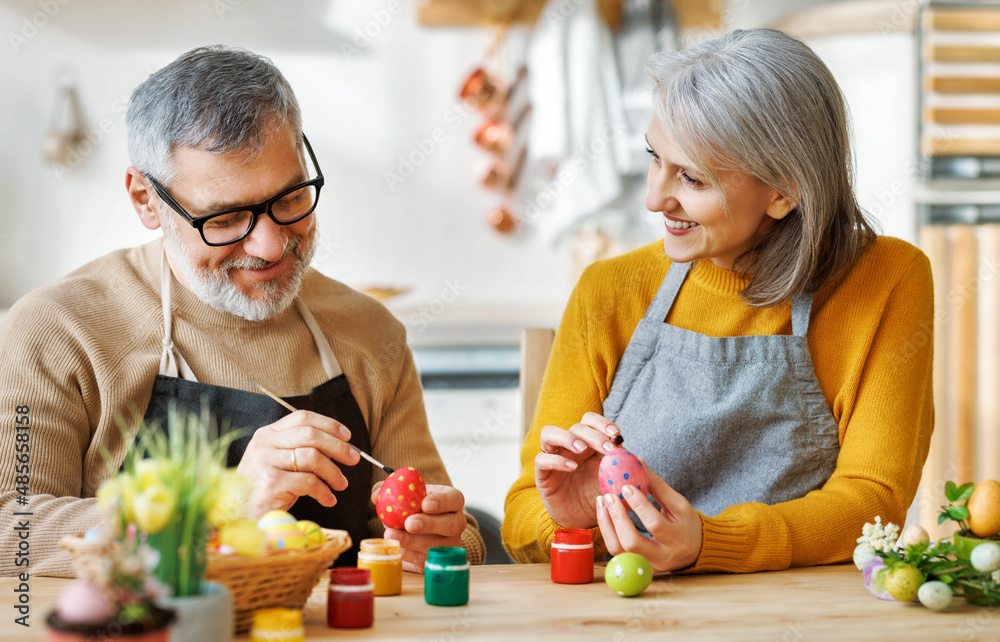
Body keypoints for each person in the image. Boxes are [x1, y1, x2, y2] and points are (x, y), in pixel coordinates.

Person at [0, 45, 483, 577]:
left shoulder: (371, 333)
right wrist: (216, 508)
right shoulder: (54, 330)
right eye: (227, 218)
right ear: (146, 200)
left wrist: (443, 539)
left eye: (291, 198)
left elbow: (452, 534)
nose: (271, 246)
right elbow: (10, 531)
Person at [502, 29, 933, 573]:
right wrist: (580, 523)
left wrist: (708, 543)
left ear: (783, 190)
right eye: (654, 158)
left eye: (692, 177)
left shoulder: (886, 279)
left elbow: (873, 503)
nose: (655, 198)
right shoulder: (608, 290)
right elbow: (521, 514)